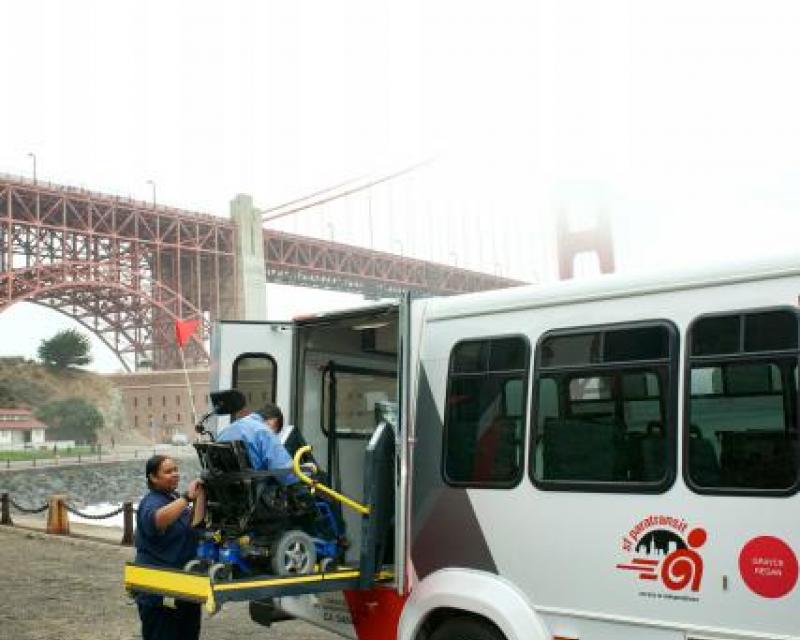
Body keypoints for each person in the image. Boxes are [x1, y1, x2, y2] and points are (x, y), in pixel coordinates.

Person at [134, 455, 203, 640]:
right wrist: (186, 497)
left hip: (185, 589)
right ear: (153, 478)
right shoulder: (152, 501)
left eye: (176, 470)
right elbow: (156, 520)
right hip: (159, 595)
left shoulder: (173, 499)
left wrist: (199, 496)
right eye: (168, 471)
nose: (175, 474)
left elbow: (194, 525)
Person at [215, 390, 297, 485]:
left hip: (225, 492)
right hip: (253, 493)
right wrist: (304, 471)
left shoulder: (225, 430)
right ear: (274, 422)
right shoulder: (264, 431)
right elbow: (286, 474)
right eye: (275, 433)